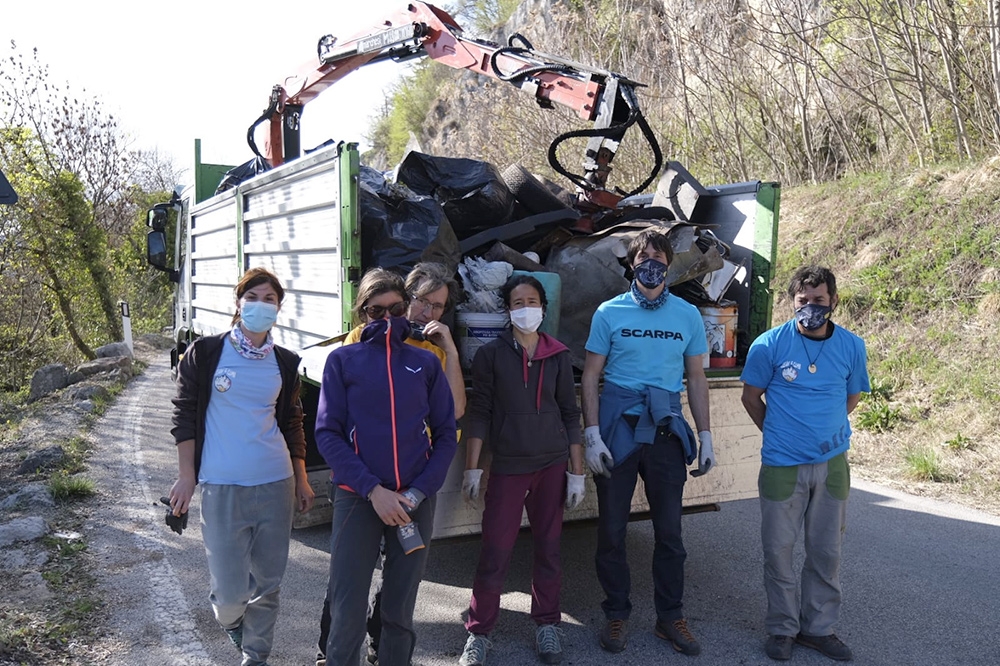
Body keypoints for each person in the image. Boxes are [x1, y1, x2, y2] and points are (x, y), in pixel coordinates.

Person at [315, 263, 466, 666]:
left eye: (395, 309)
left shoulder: (428, 363)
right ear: (362, 313)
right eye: (376, 311)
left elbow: (448, 431)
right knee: (346, 609)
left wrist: (418, 491)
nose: (387, 319)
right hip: (359, 498)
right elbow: (327, 434)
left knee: (399, 612)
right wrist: (373, 491)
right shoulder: (343, 361)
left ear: (405, 308)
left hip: (415, 501)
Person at [169, 266, 316, 666]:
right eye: (253, 297)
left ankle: (256, 656)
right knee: (230, 594)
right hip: (222, 485)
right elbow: (184, 414)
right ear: (238, 303)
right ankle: (234, 624)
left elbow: (292, 423)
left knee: (267, 586)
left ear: (280, 308)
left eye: (270, 299)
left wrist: (302, 479)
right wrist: (186, 476)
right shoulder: (206, 353)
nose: (261, 305)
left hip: (276, 482)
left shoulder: (284, 362)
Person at [580, 228, 714, 657]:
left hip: (665, 429)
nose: (652, 266)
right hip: (618, 428)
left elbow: (696, 377)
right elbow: (590, 376)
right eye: (644, 260)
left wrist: (706, 434)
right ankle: (616, 612)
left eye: (659, 259)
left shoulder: (687, 315)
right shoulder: (609, 312)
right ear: (633, 266)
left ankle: (669, 616)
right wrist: (592, 433)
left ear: (669, 264)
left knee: (670, 533)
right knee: (612, 531)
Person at [740, 265, 869, 662]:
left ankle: (818, 629)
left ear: (833, 301)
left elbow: (852, 397)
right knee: (778, 551)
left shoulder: (851, 345)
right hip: (781, 464)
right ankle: (782, 629)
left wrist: (824, 434)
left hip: (832, 464)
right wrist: (780, 434)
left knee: (826, 552)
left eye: (818, 300)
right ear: (791, 302)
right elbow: (750, 397)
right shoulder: (769, 344)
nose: (810, 306)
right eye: (802, 300)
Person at [458, 274, 584, 666]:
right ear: (507, 310)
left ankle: (547, 623)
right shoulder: (490, 356)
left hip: (551, 466)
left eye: (532, 301)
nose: (525, 308)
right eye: (517, 302)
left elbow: (570, 413)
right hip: (509, 467)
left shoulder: (559, 355)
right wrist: (473, 468)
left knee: (548, 548)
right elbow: (479, 413)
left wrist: (577, 471)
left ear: (543, 308)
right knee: (495, 550)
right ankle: (479, 631)